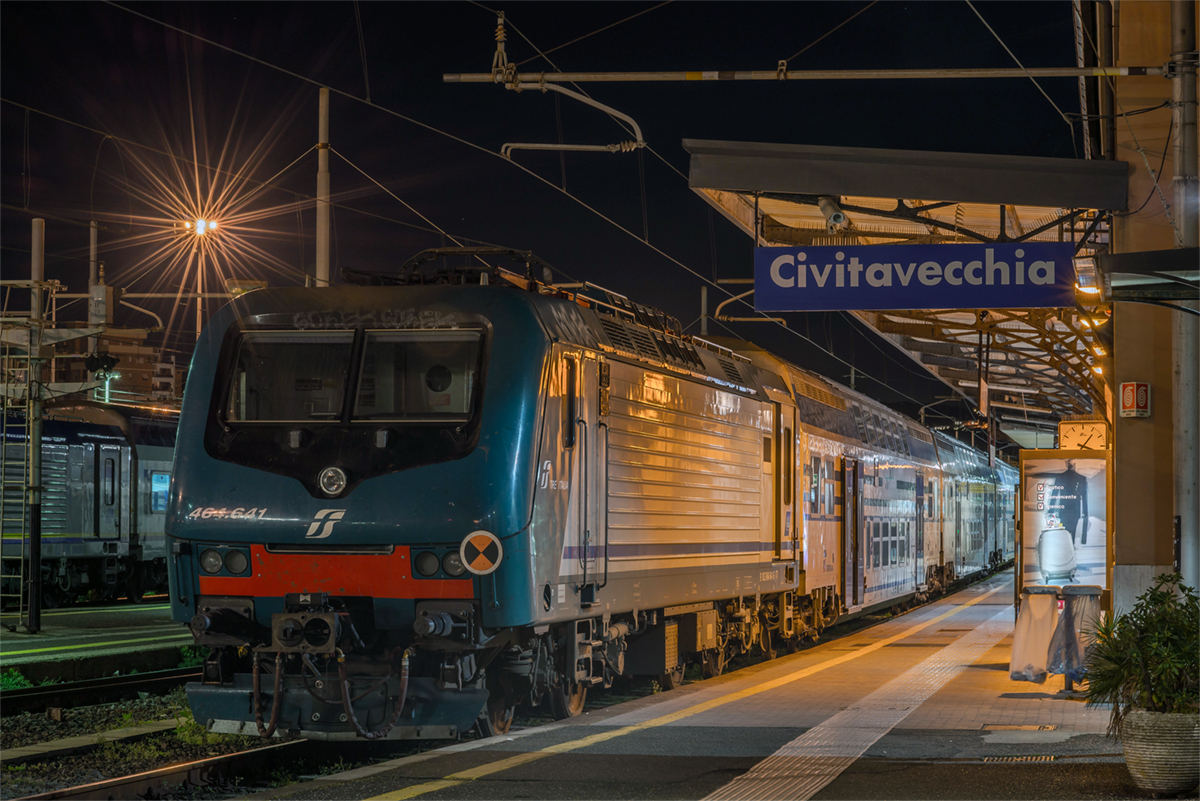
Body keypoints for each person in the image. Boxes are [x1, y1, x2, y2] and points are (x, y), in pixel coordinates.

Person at [1049, 460, 1089, 546]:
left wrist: (1051, 509)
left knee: (1065, 527)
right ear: (1075, 465)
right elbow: (1084, 496)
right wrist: (1085, 511)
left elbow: (1055, 493)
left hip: (1064, 507)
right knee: (1073, 527)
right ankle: (1071, 543)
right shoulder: (1081, 478)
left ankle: (1067, 544)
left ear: (1067, 465)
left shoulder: (1061, 477)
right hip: (1075, 507)